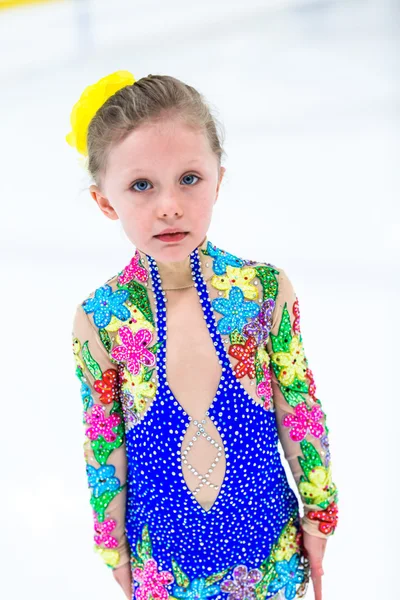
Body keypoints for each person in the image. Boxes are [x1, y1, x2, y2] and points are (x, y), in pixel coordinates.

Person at [68, 71, 338, 600]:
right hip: (166, 575)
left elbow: (299, 407)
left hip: (271, 562)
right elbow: (104, 442)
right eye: (141, 185)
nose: (169, 205)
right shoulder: (102, 319)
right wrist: (112, 547)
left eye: (188, 178)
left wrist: (320, 513)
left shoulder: (263, 290)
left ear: (218, 177)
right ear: (106, 202)